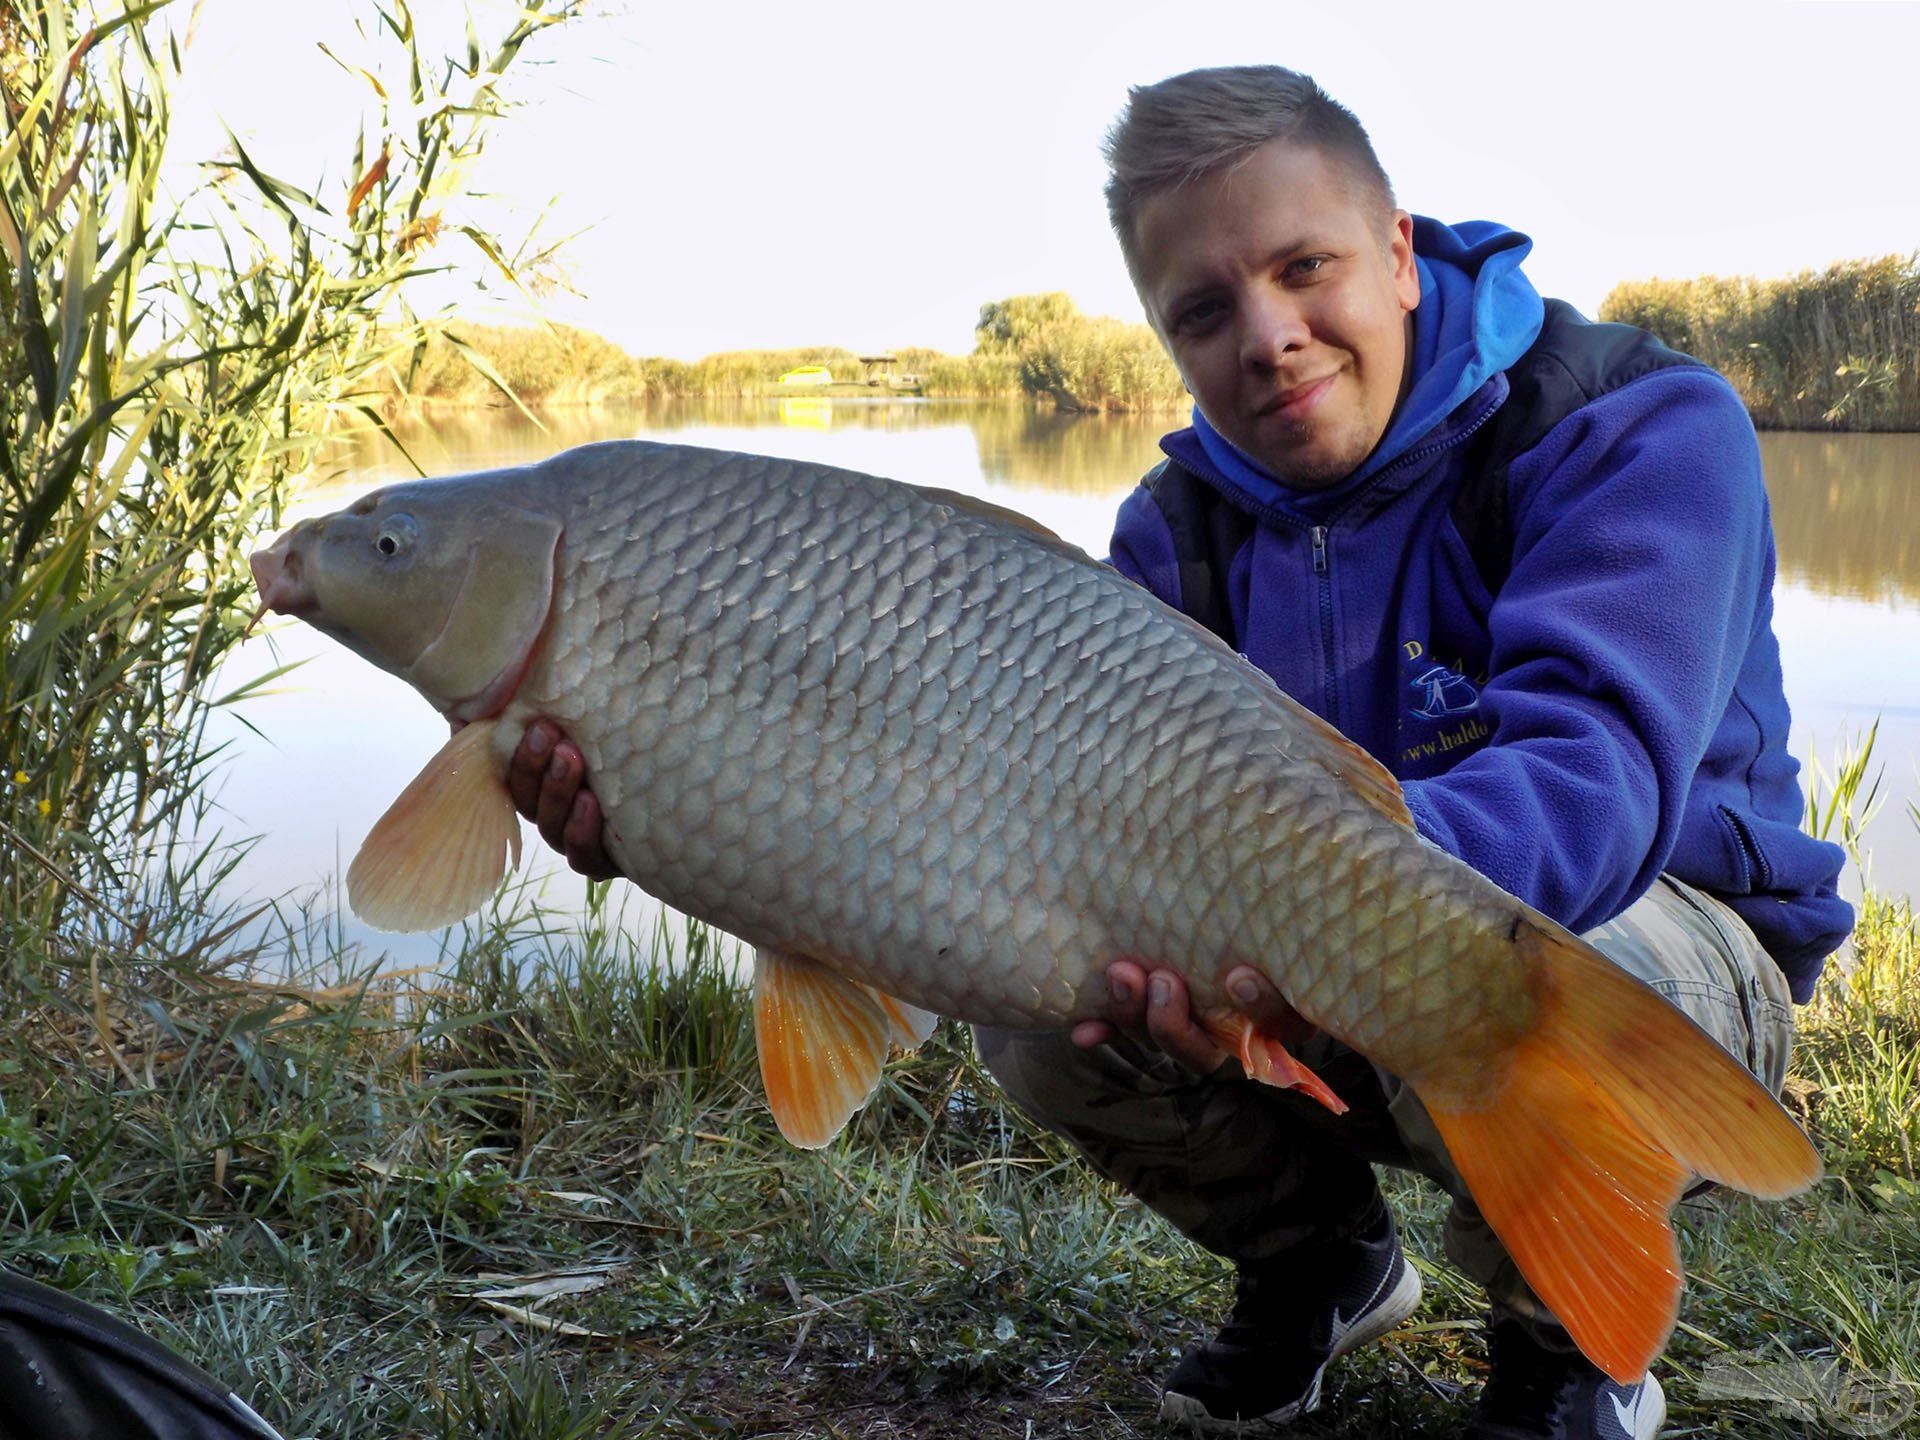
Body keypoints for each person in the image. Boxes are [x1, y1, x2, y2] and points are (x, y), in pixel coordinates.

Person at [506, 65, 1851, 1440]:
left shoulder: (1627, 422)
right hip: (1314, 929)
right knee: (1043, 1007)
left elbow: (1596, 788)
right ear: (1164, 332)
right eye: (1205, 311)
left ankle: (1566, 1345)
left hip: (1653, 927)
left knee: (1562, 960)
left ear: (1396, 252)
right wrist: (682, 813)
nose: (1267, 335)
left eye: (1304, 267)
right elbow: (1010, 814)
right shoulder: (1170, 535)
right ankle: (1324, 1267)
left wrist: (1313, 907)